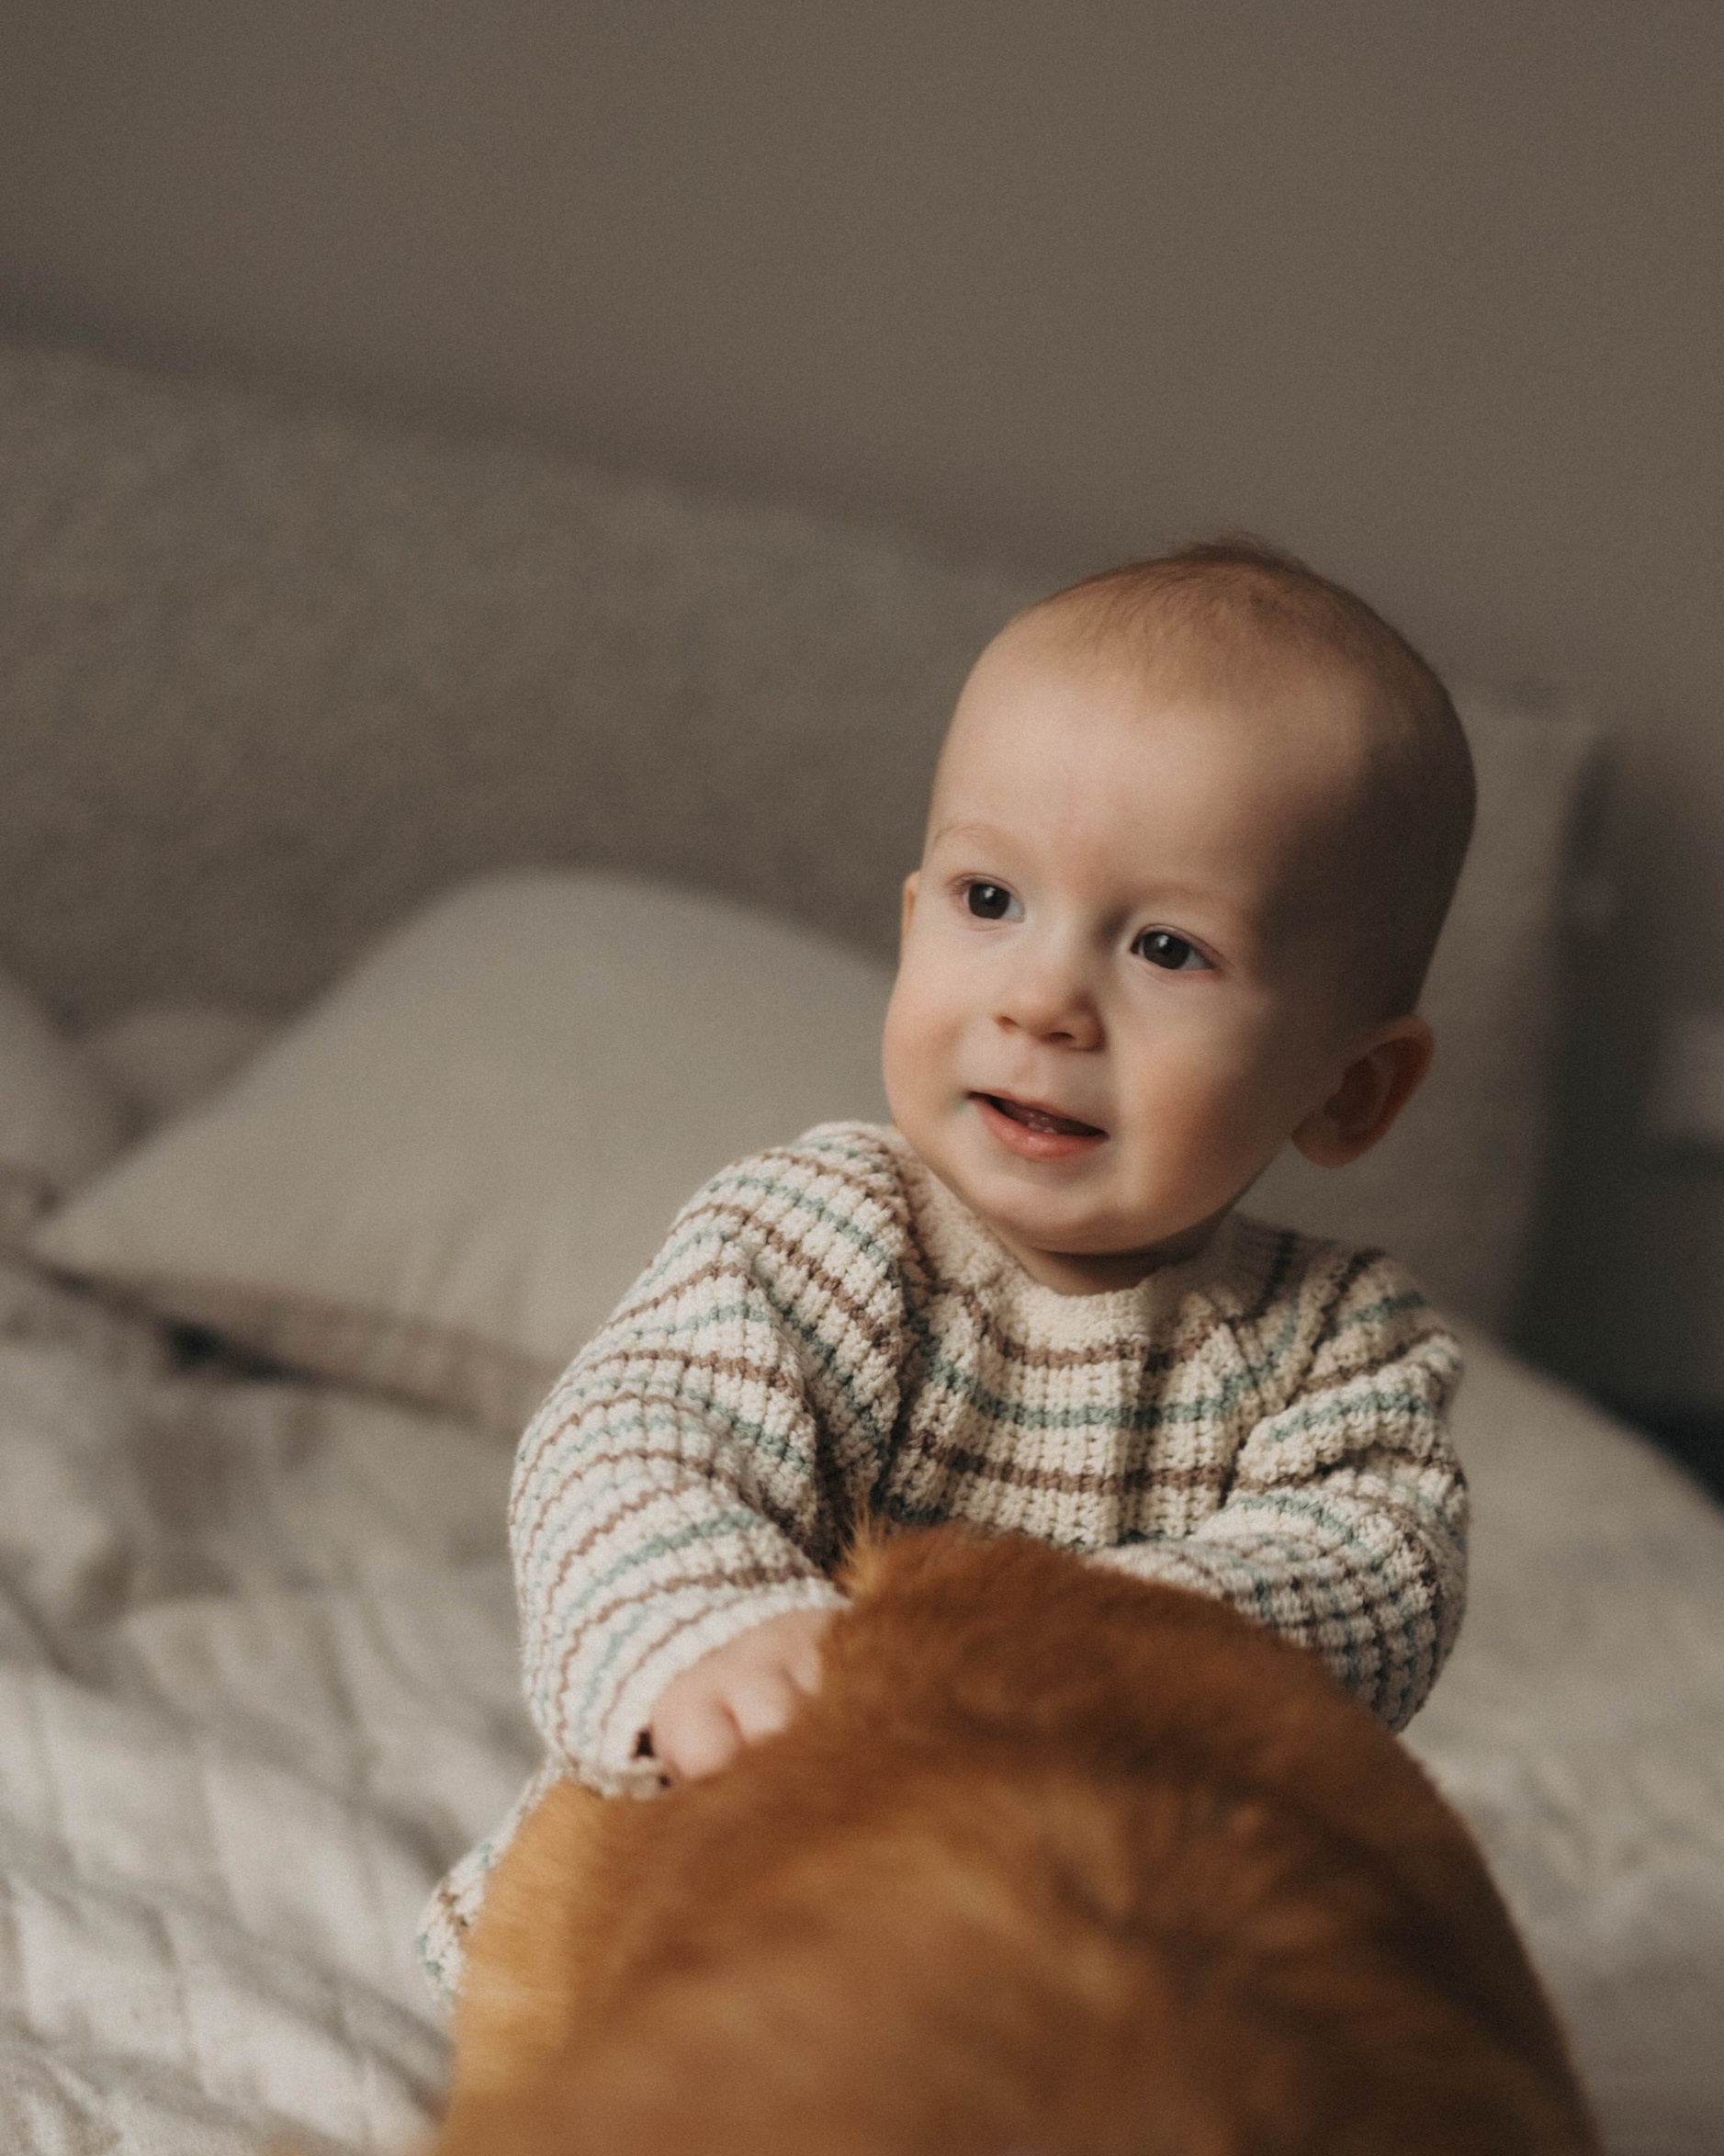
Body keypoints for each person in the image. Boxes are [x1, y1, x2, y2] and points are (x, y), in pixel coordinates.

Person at [421, 536, 1477, 1996]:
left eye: (1167, 947)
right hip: (740, 1850)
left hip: (1106, 1913)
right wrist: (707, 1638)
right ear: (912, 926)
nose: (1044, 999)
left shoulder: (1339, 1340)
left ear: (1349, 1088)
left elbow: (1374, 1575)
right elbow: (632, 1439)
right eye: (991, 903)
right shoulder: (827, 1228)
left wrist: (1037, 1661)